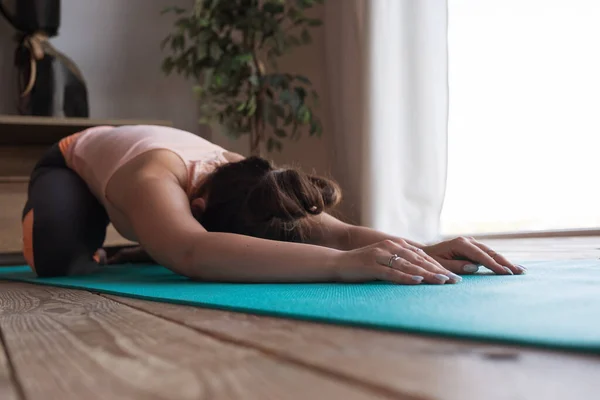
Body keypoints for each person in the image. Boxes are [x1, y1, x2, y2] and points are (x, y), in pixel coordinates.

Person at [21, 125, 526, 283]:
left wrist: (428, 249)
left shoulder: (257, 181)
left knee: (170, 246)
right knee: (57, 264)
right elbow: (194, 253)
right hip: (68, 163)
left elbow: (342, 233)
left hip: (153, 196)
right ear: (196, 207)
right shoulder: (154, 178)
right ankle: (122, 249)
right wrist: (342, 267)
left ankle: (137, 249)